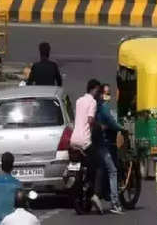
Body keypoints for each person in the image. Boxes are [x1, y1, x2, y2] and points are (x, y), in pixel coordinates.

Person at [69, 79, 104, 213]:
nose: (98, 93)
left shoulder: (78, 101)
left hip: (74, 140)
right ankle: (95, 194)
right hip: (84, 141)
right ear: (94, 89)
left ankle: (84, 185)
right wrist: (100, 126)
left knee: (87, 164)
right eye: (98, 90)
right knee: (99, 165)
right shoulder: (92, 102)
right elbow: (90, 121)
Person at [95, 83, 125, 214]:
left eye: (109, 93)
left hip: (94, 143)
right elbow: (112, 123)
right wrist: (121, 129)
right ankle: (115, 202)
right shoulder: (103, 109)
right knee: (113, 170)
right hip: (104, 143)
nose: (107, 96)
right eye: (105, 93)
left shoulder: (95, 107)